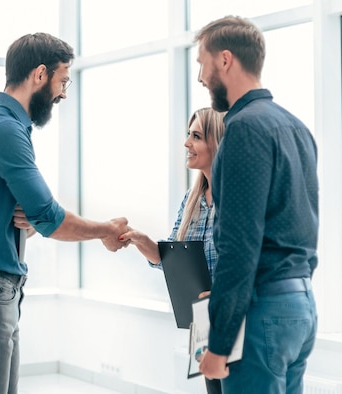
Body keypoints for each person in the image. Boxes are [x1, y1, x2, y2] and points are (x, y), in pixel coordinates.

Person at [0, 32, 129, 394]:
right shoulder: (5, 130)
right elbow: (48, 216)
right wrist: (105, 229)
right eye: (63, 81)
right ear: (40, 74)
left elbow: (29, 218)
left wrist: (35, 221)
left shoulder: (9, 128)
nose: (63, 93)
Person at [194, 16, 319, 393]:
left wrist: (218, 343)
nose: (200, 76)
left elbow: (239, 247)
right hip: (300, 308)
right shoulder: (298, 129)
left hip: (263, 313)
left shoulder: (244, 129)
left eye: (202, 63)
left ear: (225, 60)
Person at [119, 107, 226, 394]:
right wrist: (142, 241)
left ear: (218, 142)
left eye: (196, 136)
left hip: (232, 317)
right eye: (188, 135)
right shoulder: (190, 201)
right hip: (202, 319)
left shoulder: (237, 201)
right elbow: (171, 259)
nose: (186, 143)